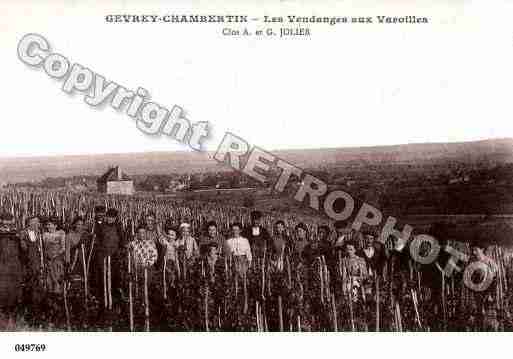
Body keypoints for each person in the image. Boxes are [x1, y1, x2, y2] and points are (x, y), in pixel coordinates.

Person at [92, 208, 126, 306]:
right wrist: (100, 252)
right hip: (103, 256)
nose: (110, 219)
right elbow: (97, 241)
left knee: (114, 275)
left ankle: (113, 295)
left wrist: (120, 252)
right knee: (102, 276)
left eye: (112, 217)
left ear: (115, 218)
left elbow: (122, 241)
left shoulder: (118, 227)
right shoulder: (100, 226)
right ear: (106, 216)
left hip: (114, 256)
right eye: (109, 217)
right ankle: (102, 296)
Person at [19, 215, 46, 325]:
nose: (36, 224)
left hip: (39, 266)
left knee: (39, 291)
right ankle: (29, 316)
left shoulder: (40, 234)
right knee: (29, 291)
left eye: (37, 222)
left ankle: (38, 315)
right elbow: (23, 250)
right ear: (28, 223)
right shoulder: (24, 233)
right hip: (29, 267)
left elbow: (43, 251)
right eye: (33, 222)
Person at [0, 212, 24, 330]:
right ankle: (4, 320)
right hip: (3, 267)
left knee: (14, 293)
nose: (7, 223)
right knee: (3, 292)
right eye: (5, 220)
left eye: (9, 220)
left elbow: (22, 251)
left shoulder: (17, 234)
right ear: (2, 221)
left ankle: (12, 319)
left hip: (15, 267)